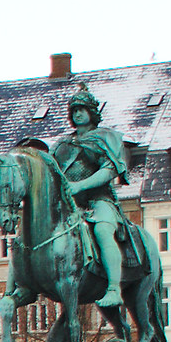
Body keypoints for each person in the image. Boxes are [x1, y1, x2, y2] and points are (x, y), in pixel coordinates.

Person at [53, 85, 134, 309]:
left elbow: (109, 170)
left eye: (82, 109)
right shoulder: (62, 144)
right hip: (70, 205)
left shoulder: (105, 138)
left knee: (102, 232)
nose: (77, 114)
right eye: (74, 110)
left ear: (92, 112)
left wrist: (80, 185)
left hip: (99, 200)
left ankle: (114, 288)